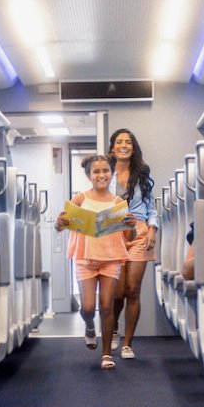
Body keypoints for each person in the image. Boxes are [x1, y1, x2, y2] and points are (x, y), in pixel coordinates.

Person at [54, 153, 136, 369]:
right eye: (96, 171)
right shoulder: (80, 199)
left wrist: (132, 225)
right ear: (89, 175)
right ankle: (89, 325)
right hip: (85, 258)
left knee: (107, 305)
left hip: (111, 258)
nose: (101, 175)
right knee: (89, 307)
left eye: (105, 171)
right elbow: (60, 225)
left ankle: (106, 353)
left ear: (112, 173)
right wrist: (59, 221)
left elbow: (130, 237)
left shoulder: (118, 202)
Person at [106, 128, 155, 358]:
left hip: (139, 233)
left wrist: (153, 229)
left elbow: (151, 208)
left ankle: (127, 344)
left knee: (133, 290)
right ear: (112, 147)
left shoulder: (142, 174)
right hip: (113, 234)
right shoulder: (105, 172)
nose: (123, 145)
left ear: (133, 148)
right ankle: (114, 328)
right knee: (117, 294)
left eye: (128, 142)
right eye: (119, 142)